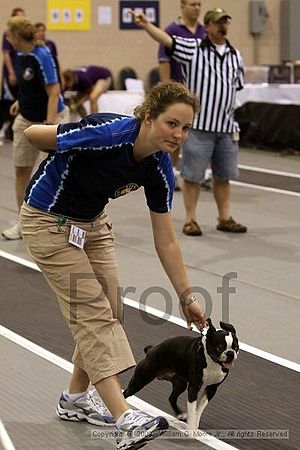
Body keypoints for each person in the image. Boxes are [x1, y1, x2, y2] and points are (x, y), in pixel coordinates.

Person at [20, 81, 207, 449]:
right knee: (93, 316)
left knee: (111, 310)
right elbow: (30, 133)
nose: (179, 135)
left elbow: (166, 238)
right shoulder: (109, 133)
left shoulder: (158, 168)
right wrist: (57, 144)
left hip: (92, 225)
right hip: (48, 220)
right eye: (172, 124)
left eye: (185, 128)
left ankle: (75, 399)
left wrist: (186, 297)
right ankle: (124, 418)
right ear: (149, 117)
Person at [131, 8, 247, 236]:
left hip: (226, 127)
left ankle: (224, 217)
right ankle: (190, 219)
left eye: (226, 21)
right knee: (192, 176)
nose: (223, 26)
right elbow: (167, 40)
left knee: (223, 176)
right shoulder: (194, 49)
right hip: (201, 127)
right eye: (218, 22)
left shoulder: (236, 56)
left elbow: (238, 87)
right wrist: (146, 25)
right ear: (209, 26)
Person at [1, 16, 69, 240]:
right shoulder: (19, 55)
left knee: (56, 171)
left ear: (17, 36)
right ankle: (24, 222)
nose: (7, 38)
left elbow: (53, 91)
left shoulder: (43, 55)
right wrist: (20, 101)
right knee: (22, 170)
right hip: (25, 118)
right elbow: (29, 85)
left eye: (9, 35)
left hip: (50, 117)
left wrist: (49, 128)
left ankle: (60, 220)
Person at [158, 0, 206, 191]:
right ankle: (169, 173)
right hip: (179, 94)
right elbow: (164, 62)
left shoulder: (204, 31)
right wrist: (167, 92)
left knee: (198, 138)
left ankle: (200, 174)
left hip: (199, 95)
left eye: (199, 4)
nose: (196, 8)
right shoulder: (171, 30)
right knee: (175, 137)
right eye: (192, 4)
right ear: (182, 6)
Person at [0, 7, 25, 141]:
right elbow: (6, 54)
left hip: (22, 74)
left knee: (19, 102)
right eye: (19, 17)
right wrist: (11, 72)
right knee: (6, 103)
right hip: (12, 74)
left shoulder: (24, 35)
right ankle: (3, 128)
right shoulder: (8, 34)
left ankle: (12, 131)